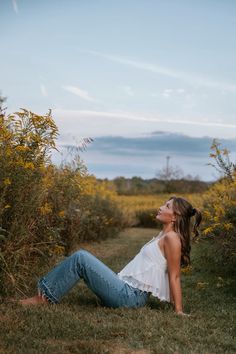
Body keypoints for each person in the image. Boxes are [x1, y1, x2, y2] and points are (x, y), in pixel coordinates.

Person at [19, 196, 202, 316]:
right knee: (81, 257)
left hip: (130, 298)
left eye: (167, 206)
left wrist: (178, 310)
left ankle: (43, 298)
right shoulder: (164, 235)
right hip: (127, 291)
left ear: (175, 216)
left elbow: (174, 275)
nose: (161, 207)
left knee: (81, 258)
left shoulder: (172, 238)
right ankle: (43, 295)